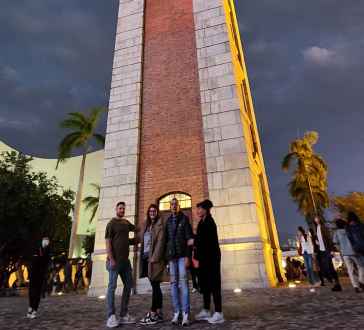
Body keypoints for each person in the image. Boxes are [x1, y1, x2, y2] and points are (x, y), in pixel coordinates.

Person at [105, 201, 137, 328]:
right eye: (120, 208)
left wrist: (146, 226)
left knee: (129, 285)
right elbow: (108, 242)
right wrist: (111, 259)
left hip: (125, 262)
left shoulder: (126, 223)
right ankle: (111, 316)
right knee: (111, 287)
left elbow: (134, 232)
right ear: (116, 209)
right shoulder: (111, 223)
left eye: (123, 208)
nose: (122, 210)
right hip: (115, 261)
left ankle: (124, 314)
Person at [194, 199, 224, 324]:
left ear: (206, 210)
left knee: (214, 285)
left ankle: (218, 313)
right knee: (205, 285)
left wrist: (193, 241)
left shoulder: (210, 223)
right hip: (204, 259)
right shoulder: (202, 222)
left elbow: (205, 242)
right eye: (198, 208)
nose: (198, 211)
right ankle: (206, 309)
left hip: (212, 259)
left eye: (200, 208)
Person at [164, 198, 193, 326]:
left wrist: (188, 256)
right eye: (172, 204)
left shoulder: (184, 219)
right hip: (171, 258)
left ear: (179, 206)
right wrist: (166, 260)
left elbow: (189, 239)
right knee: (173, 284)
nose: (174, 206)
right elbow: (166, 240)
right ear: (170, 207)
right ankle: (177, 312)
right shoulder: (168, 221)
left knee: (184, 283)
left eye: (176, 204)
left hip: (182, 256)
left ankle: (186, 313)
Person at [139, 204, 166, 325]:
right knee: (156, 286)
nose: (152, 213)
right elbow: (140, 239)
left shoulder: (160, 225)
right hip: (145, 258)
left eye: (154, 211)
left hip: (154, 260)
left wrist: (154, 258)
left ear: (157, 212)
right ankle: (159, 312)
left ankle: (153, 312)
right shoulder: (146, 225)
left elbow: (161, 242)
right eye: (150, 211)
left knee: (155, 285)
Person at [333, 218, 364, 292]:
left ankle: (355, 286)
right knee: (361, 266)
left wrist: (340, 250)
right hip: (354, 252)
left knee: (350, 270)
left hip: (345, 254)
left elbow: (335, 243)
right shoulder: (349, 230)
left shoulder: (336, 233)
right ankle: (361, 280)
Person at [314, 216, 342, 291]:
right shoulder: (317, 228)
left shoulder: (323, 227)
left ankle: (337, 284)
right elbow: (319, 238)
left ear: (320, 219)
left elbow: (328, 238)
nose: (316, 219)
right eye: (315, 218)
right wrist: (317, 242)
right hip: (322, 250)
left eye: (317, 218)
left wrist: (331, 249)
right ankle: (334, 282)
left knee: (330, 267)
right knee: (326, 268)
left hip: (327, 250)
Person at [26, 236, 51, 319]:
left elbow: (46, 263)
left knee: (37, 293)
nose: (46, 242)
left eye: (47, 241)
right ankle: (30, 307)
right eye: (45, 240)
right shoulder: (37, 249)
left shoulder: (47, 252)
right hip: (33, 275)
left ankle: (34, 311)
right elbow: (32, 262)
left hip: (41, 276)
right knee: (31, 292)